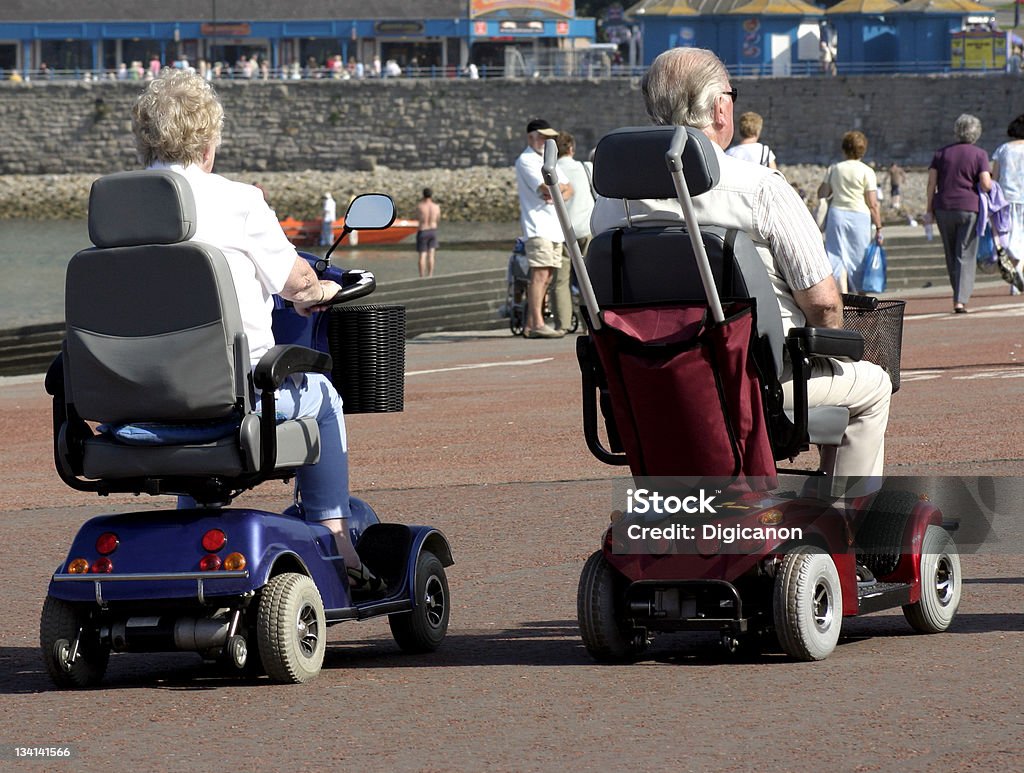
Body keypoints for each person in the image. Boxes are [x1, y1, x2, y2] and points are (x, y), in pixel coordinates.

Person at [130, 70, 383, 592]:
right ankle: (336, 537)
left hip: (133, 408)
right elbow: (298, 284)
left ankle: (194, 524)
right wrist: (320, 292)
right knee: (322, 395)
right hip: (234, 402)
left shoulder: (115, 208)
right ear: (207, 142)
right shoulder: (239, 201)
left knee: (196, 398)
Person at [591, 47, 891, 483]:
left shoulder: (611, 203)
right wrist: (834, 347)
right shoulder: (759, 188)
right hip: (755, 379)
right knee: (873, 384)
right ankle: (846, 522)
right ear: (720, 107)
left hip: (649, 381)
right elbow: (824, 304)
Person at [925, 113, 993, 314]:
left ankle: (958, 293)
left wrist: (928, 210)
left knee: (951, 253)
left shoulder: (940, 154)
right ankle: (960, 300)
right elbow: (986, 183)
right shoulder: (980, 154)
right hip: (968, 207)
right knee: (965, 253)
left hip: (943, 207)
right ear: (976, 133)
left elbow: (931, 183)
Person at [514, 118, 573, 338]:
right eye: (544, 136)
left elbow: (569, 189)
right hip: (537, 226)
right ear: (532, 137)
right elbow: (546, 188)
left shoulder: (547, 159)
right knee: (540, 275)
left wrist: (557, 191)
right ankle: (537, 323)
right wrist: (557, 191)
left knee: (547, 276)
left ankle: (531, 323)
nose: (548, 140)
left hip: (552, 226)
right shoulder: (527, 160)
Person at [817, 131, 883, 294]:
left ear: (844, 149)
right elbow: (873, 203)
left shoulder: (835, 169)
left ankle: (843, 296)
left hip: (837, 214)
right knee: (859, 256)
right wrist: (879, 226)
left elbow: (822, 193)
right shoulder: (867, 171)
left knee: (837, 256)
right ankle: (861, 295)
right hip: (859, 215)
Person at [991, 113, 1024, 293]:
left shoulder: (1003, 149)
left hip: (1007, 199)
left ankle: (1015, 274)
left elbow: (994, 178)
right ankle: (1018, 272)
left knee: (1009, 237)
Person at [556, 131, 596, 255]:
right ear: (571, 149)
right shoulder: (586, 167)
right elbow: (599, 196)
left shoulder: (551, 173)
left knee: (564, 274)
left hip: (561, 233)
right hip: (585, 229)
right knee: (588, 272)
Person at [415, 187, 441, 278]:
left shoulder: (420, 206)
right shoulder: (436, 207)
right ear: (431, 195)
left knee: (422, 255)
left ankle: (421, 276)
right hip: (433, 230)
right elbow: (437, 219)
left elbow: (417, 218)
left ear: (423, 195)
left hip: (423, 230)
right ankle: (430, 275)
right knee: (431, 255)